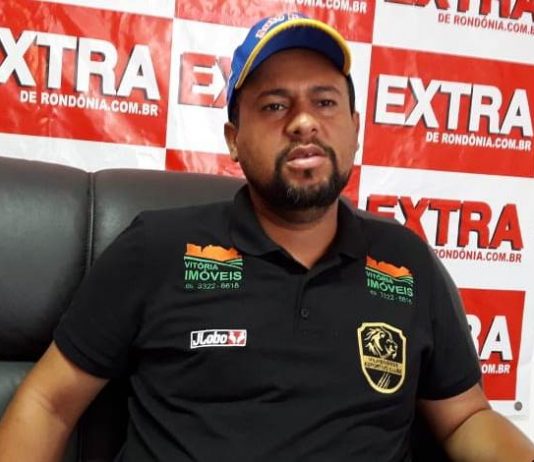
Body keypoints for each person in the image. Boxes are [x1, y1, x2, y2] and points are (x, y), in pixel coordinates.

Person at [0, 12, 533, 462]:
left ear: (355, 128)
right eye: (275, 105)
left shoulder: (405, 259)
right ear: (233, 139)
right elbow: (48, 404)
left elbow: (465, 417)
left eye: (325, 102)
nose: (303, 123)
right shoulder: (156, 248)